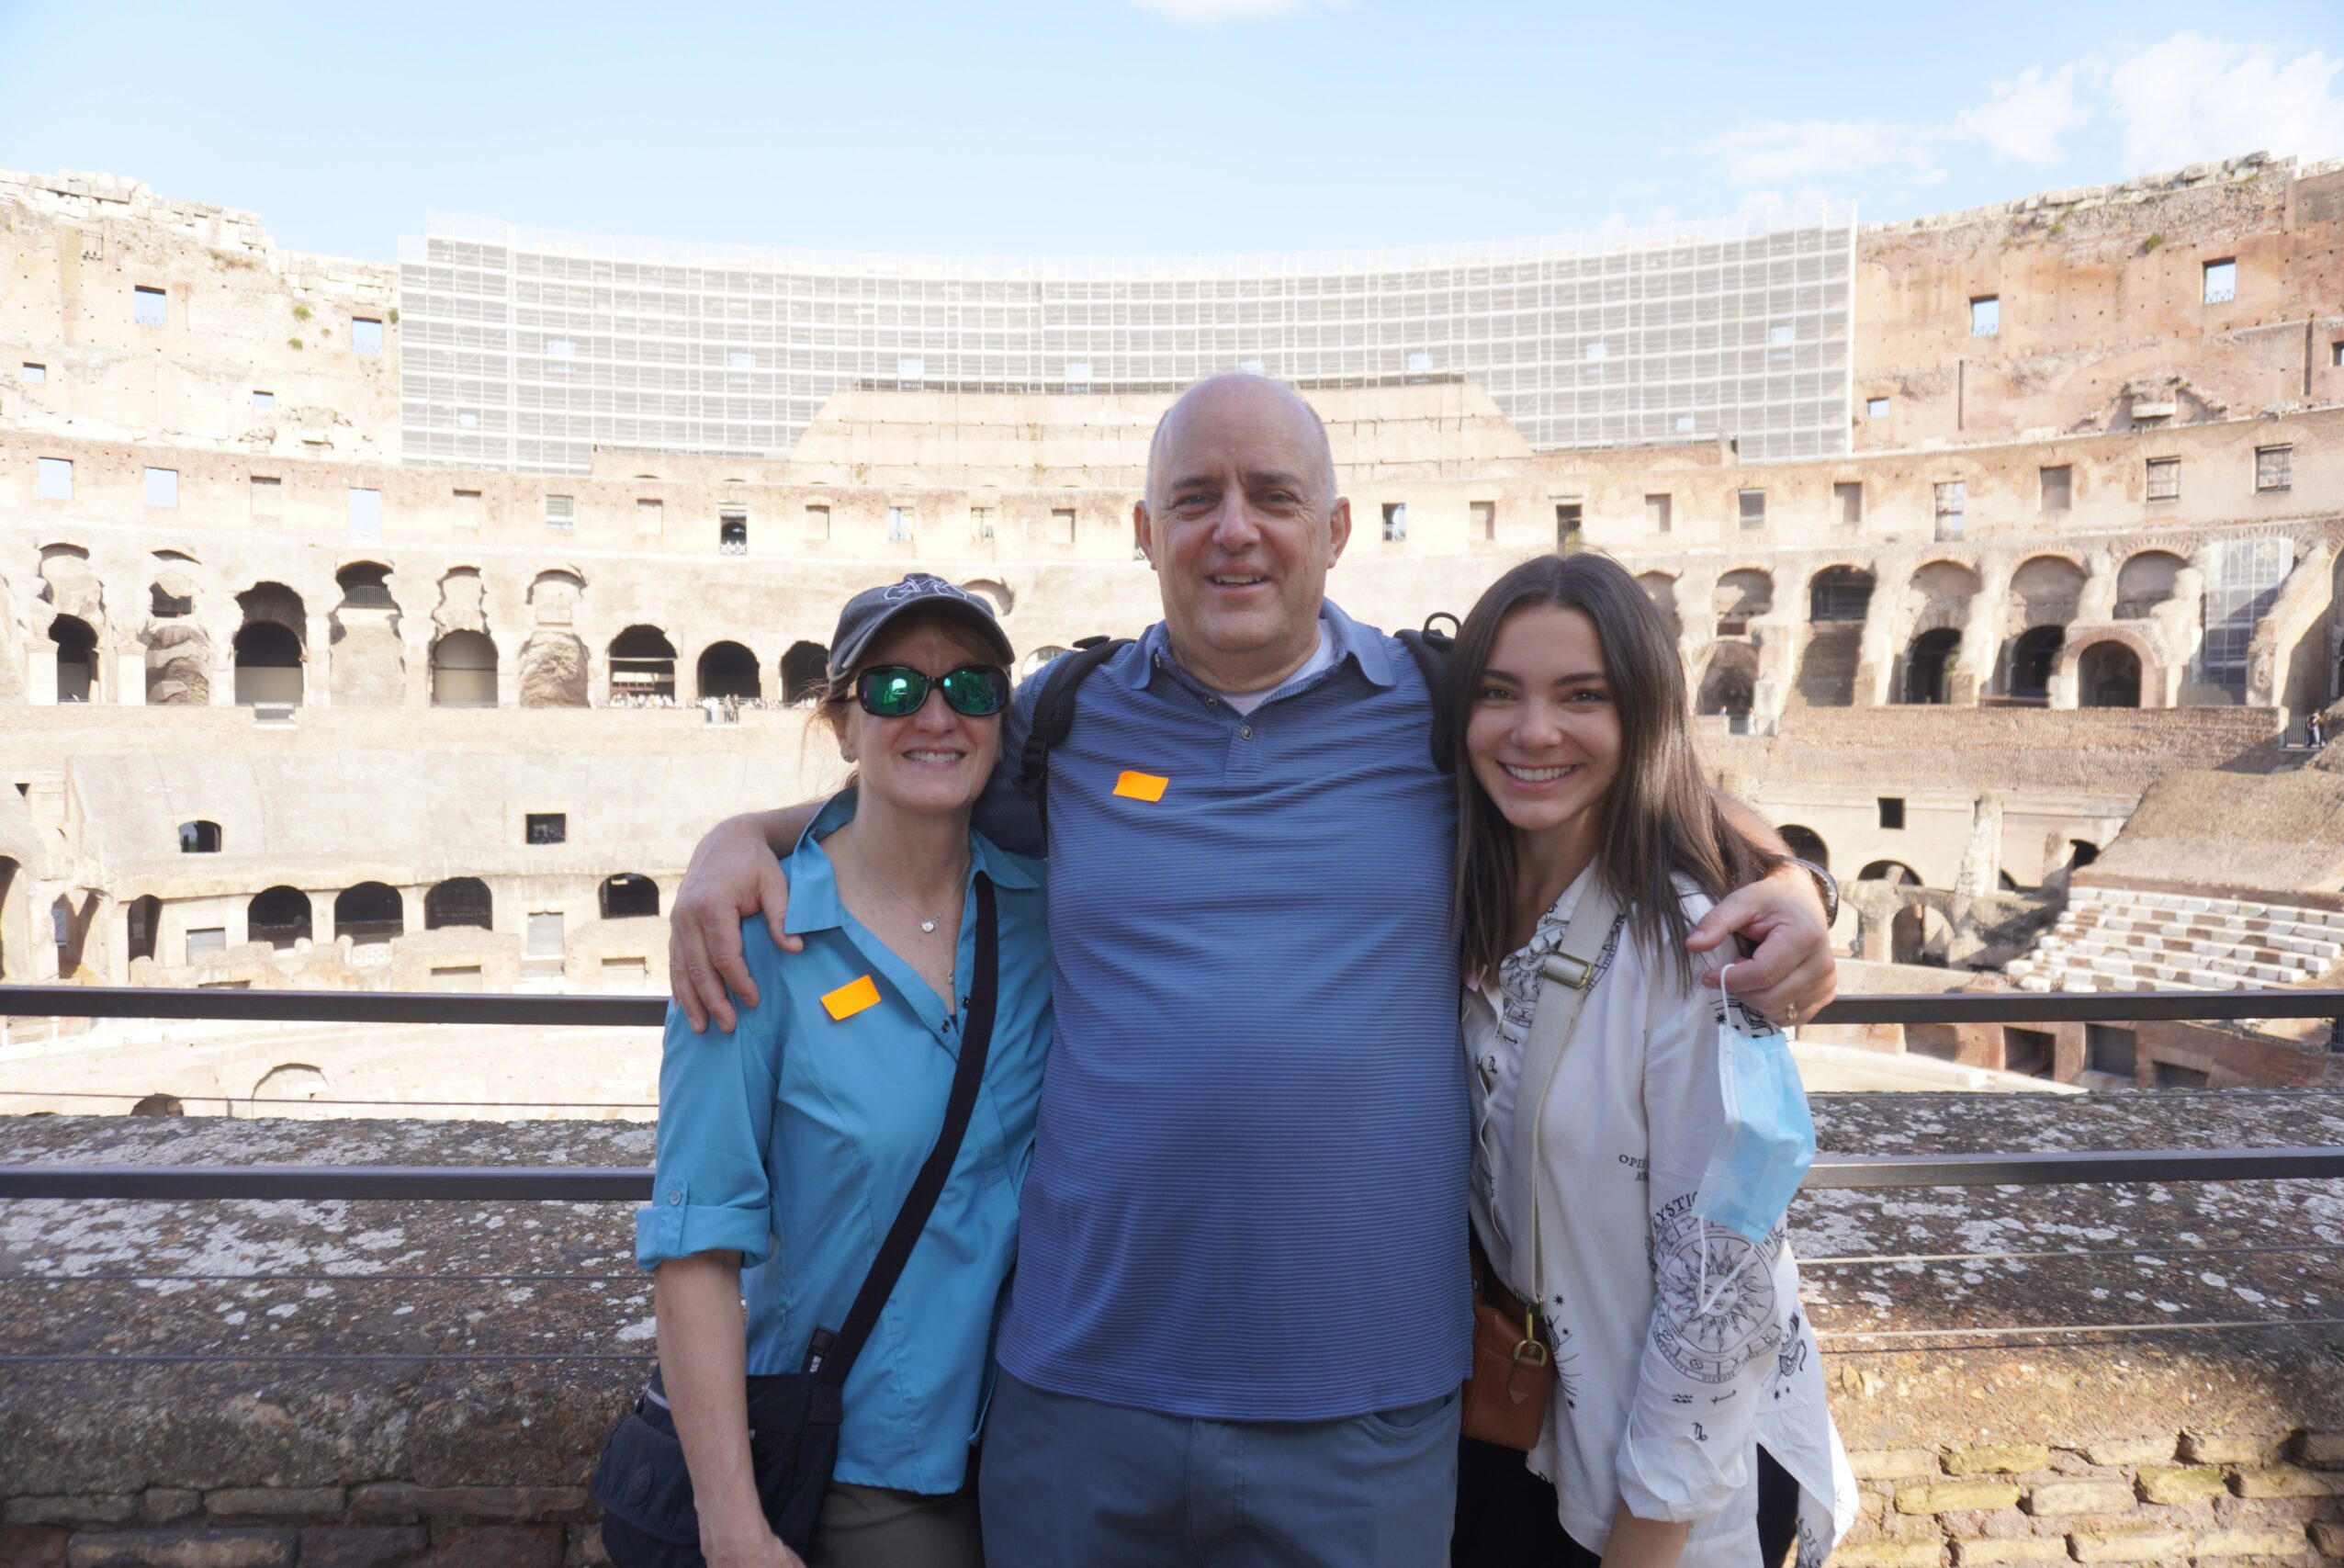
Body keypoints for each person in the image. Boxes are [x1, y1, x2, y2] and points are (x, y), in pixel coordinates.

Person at [668, 374, 1837, 1566]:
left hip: (1365, 1405)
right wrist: (739, 839)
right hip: (1082, 1395)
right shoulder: (1064, 720)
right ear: (1145, 533)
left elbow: (1631, 775)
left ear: (1334, 529)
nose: (1235, 527)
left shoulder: (1439, 710)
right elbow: (908, 769)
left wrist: (1797, 879)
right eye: (1195, 497)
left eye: (1274, 495)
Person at [633, 576, 1053, 1568]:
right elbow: (697, 1243)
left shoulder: (1041, 915)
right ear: (841, 721)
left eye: (973, 689)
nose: (939, 714)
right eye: (896, 690)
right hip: (870, 1462)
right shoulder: (752, 948)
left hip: (1044, 1443)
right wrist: (731, 1523)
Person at [1446, 553, 1852, 1567]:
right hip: (1527, 1429)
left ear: (1642, 719)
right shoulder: (1467, 899)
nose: (1532, 730)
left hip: (1671, 1488)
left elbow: (1722, 1295)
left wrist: (1647, 1537)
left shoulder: (1694, 947)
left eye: (1582, 697)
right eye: (1499, 694)